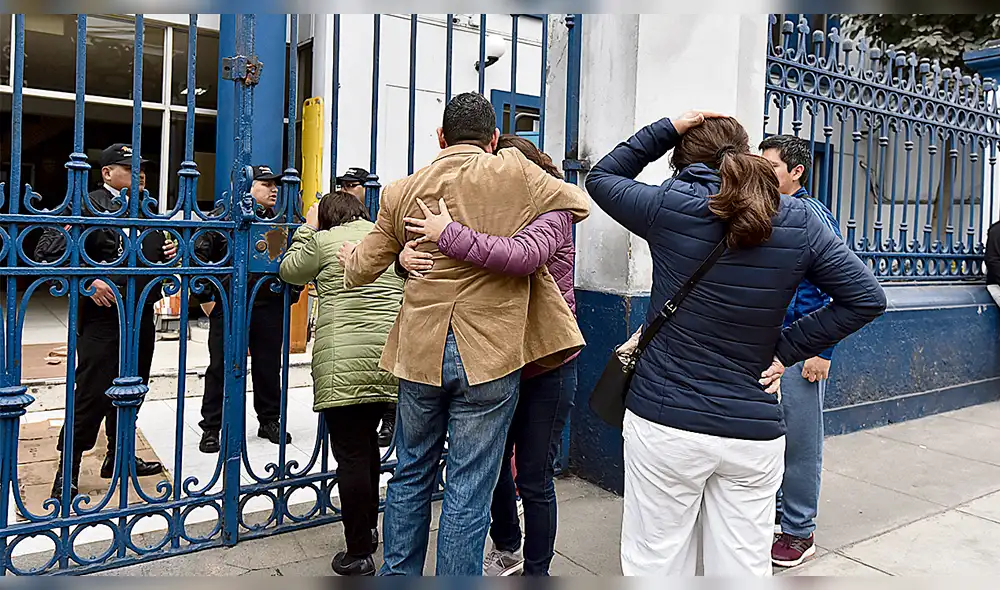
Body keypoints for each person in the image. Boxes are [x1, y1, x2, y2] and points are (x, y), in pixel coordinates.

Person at [585, 112, 886, 576]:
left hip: (667, 422)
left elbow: (603, 176)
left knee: (655, 562)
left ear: (684, 160)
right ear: (743, 152)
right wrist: (786, 350)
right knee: (743, 569)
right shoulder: (798, 218)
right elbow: (866, 298)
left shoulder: (670, 207)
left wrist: (668, 127)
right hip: (752, 429)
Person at [337, 92, 589, 576]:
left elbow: (361, 270)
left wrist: (378, 256)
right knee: (470, 487)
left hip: (419, 351)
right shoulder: (514, 172)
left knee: (410, 473)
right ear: (493, 139)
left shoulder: (401, 189)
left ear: (439, 137)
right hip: (489, 353)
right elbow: (576, 202)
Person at [398, 135, 577, 577]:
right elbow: (452, 264)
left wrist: (449, 234)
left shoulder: (549, 210)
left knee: (533, 478)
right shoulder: (496, 207)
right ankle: (506, 545)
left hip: (544, 362)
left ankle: (537, 571)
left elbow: (522, 255)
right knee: (487, 471)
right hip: (496, 355)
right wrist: (405, 258)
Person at [36, 143, 176, 501]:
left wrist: (170, 255)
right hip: (102, 320)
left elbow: (154, 257)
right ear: (107, 173)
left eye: (141, 167)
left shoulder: (147, 209)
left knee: (133, 388)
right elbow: (45, 253)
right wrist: (88, 282)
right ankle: (67, 470)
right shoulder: (86, 203)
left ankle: (119, 457)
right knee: (92, 393)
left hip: (140, 313)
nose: (139, 173)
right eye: (129, 168)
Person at [279, 191, 404, 577]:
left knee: (350, 454)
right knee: (368, 448)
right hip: (389, 358)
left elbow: (289, 271)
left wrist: (306, 229)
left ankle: (359, 551)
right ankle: (370, 527)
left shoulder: (321, 240)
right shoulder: (384, 236)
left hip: (342, 364)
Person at [759, 134, 843, 567]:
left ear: (796, 172)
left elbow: (838, 285)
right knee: (771, 438)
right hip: (769, 347)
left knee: (801, 443)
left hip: (800, 349)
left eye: (771, 165)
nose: (762, 170)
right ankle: (776, 519)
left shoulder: (812, 215)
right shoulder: (769, 211)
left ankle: (798, 530)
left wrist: (820, 349)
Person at [194, 165, 296, 453]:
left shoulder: (276, 222)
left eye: (275, 184)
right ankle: (212, 427)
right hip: (229, 304)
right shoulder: (222, 218)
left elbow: (285, 263)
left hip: (267, 304)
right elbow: (198, 258)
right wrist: (205, 299)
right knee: (221, 367)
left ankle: (269, 420)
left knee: (267, 366)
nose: (274, 189)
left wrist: (290, 296)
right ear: (248, 187)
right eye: (266, 184)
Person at [337, 166, 396, 448]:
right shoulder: (336, 218)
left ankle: (391, 418)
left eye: (352, 185)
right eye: (343, 185)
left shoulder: (384, 215)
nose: (346, 190)